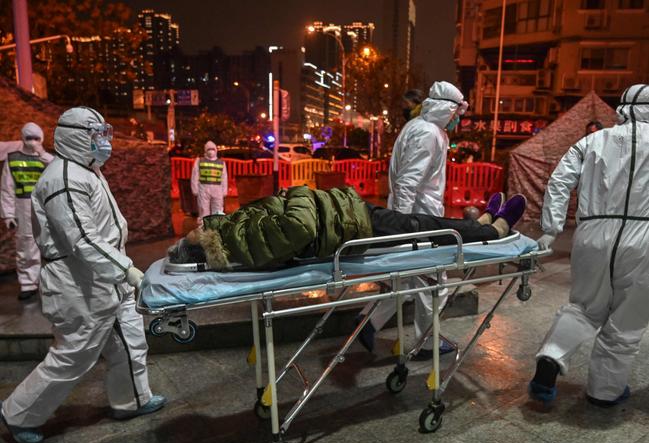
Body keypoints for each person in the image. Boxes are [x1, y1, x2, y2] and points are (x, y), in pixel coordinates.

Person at [0, 107, 166, 443]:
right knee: (74, 353)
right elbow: (83, 239)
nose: (103, 142)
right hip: (77, 283)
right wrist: (127, 270)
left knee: (129, 340)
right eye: (96, 135)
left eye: (104, 134)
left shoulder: (85, 171)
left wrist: (119, 271)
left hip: (103, 276)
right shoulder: (62, 179)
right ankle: (17, 414)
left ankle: (132, 400)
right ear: (76, 136)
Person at [529, 84, 649, 407]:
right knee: (626, 320)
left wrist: (551, 229)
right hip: (645, 242)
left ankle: (551, 358)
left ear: (622, 109)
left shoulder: (593, 140)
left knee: (584, 307)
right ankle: (604, 392)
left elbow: (559, 180)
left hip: (593, 235)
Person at [357, 81, 469, 360]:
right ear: (447, 109)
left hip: (416, 216)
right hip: (419, 220)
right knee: (434, 282)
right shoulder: (429, 133)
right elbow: (409, 182)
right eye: (457, 113)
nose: (458, 119)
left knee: (408, 281)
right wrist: (403, 225)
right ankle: (426, 343)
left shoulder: (421, 127)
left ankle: (367, 323)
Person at [167, 186, 527, 271]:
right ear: (201, 244)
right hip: (347, 226)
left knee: (421, 224)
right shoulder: (237, 242)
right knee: (420, 227)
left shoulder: (232, 231)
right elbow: (300, 226)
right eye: (193, 234)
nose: (195, 227)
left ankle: (476, 225)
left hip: (343, 214)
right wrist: (300, 191)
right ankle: (492, 232)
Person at [0, 123, 54, 300]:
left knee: (53, 245)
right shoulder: (13, 158)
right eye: (29, 138)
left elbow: (57, 170)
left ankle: (54, 283)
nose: (32, 142)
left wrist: (42, 153)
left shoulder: (46, 158)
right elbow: (7, 187)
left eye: (36, 138)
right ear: (23, 138)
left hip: (46, 207)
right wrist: (8, 214)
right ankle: (28, 284)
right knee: (26, 246)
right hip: (23, 208)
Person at [191, 140, 228, 222]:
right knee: (203, 210)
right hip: (203, 188)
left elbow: (224, 177)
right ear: (205, 150)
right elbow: (195, 175)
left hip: (217, 189)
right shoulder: (199, 161)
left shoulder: (221, 163)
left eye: (213, 149)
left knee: (218, 210)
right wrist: (195, 189)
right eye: (209, 149)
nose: (211, 151)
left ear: (216, 150)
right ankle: (204, 229)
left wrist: (224, 190)